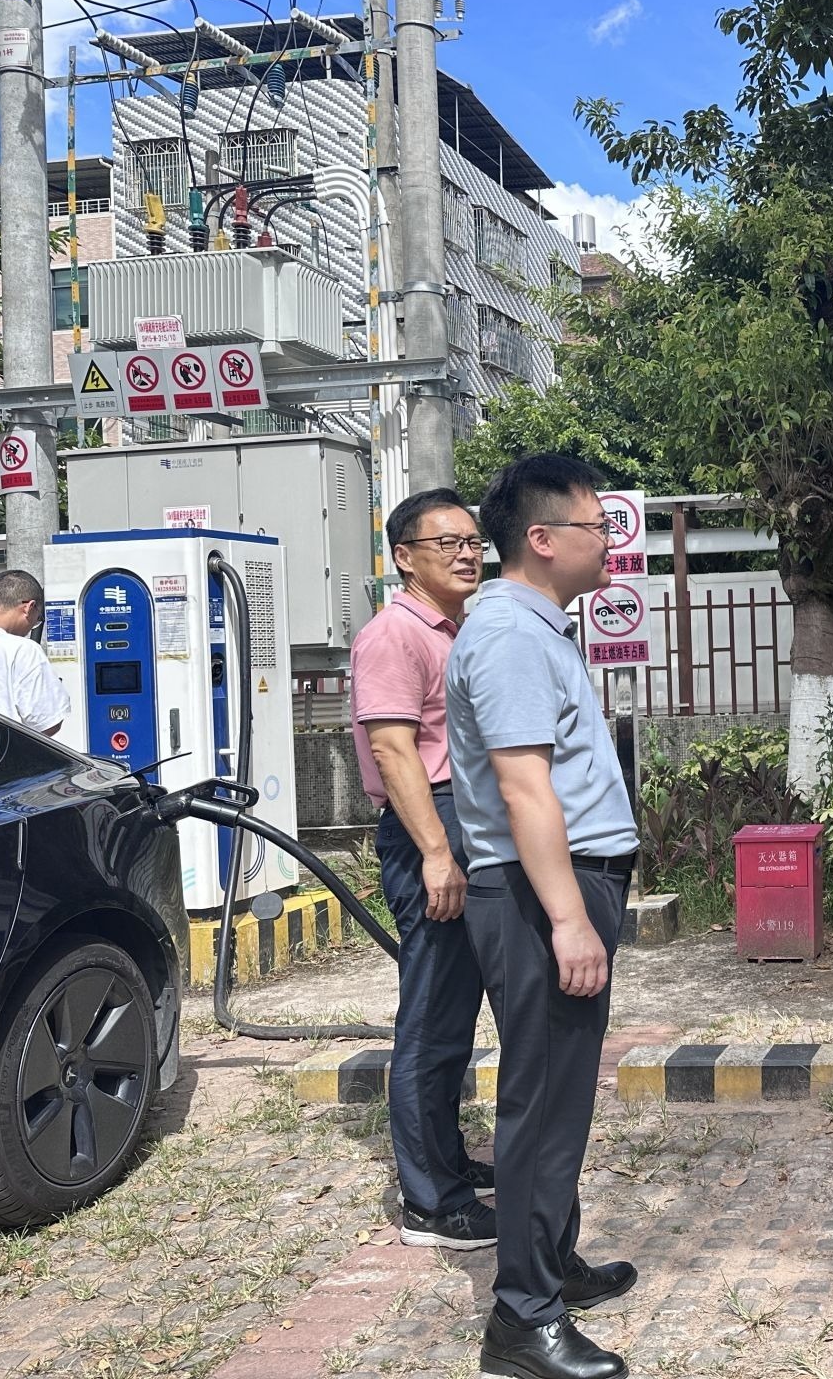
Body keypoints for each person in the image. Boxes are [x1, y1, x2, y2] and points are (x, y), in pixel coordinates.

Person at [445, 454, 639, 1379]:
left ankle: (551, 1261)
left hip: (557, 885)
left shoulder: (535, 629)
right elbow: (525, 791)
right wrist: (567, 918)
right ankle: (522, 1319)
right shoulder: (510, 638)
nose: (610, 541)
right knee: (542, 1104)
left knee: (562, 1094)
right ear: (543, 538)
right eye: (598, 525)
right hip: (538, 894)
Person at [349, 489, 496, 1250]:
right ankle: (431, 1204)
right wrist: (438, 852)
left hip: (460, 818)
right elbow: (392, 749)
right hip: (428, 827)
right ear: (404, 557)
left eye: (473, 542)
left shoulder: (454, 629)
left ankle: (447, 1159)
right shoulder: (393, 635)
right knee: (432, 1015)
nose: (467, 554)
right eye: (448, 543)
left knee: (454, 1012)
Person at [0, 570, 70, 737]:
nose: (32, 627)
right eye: (38, 618)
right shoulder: (22, 650)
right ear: (29, 607)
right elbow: (47, 723)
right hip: (3, 752)